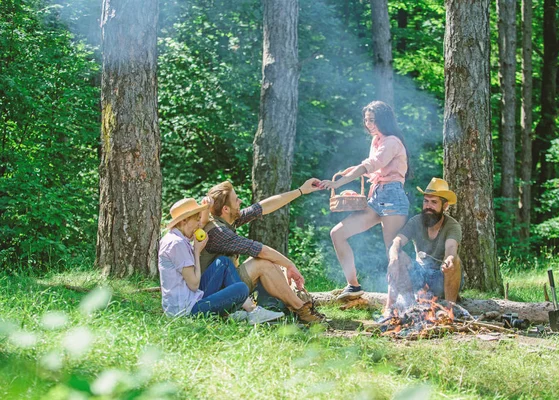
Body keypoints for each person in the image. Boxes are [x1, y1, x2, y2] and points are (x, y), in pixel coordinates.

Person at [200, 179, 327, 323]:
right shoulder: (218, 231)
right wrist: (290, 265)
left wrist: (301, 190)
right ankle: (303, 311)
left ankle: (289, 306)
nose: (240, 201)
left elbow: (262, 207)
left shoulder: (227, 219)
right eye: (236, 200)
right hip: (216, 296)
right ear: (226, 209)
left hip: (228, 286)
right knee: (262, 263)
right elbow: (260, 250)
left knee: (274, 263)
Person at [319, 101, 410, 300]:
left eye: (373, 120)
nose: (369, 124)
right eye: (367, 120)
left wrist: (340, 182)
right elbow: (372, 169)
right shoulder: (376, 140)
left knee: (393, 250)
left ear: (383, 120)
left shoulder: (392, 141)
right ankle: (353, 286)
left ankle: (404, 295)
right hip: (376, 195)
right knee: (338, 233)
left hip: (393, 196)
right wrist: (349, 172)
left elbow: (371, 165)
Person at [159, 197, 284, 324]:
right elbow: (194, 284)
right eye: (196, 220)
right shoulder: (176, 244)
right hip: (187, 311)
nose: (198, 224)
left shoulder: (178, 237)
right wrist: (196, 251)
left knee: (223, 262)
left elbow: (203, 223)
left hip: (190, 298)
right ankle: (251, 310)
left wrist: (207, 207)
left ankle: (244, 310)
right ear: (184, 220)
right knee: (241, 289)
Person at [385, 177, 462, 316]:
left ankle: (449, 311)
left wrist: (449, 259)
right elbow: (397, 241)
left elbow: (451, 248)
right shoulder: (416, 221)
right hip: (419, 275)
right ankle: (391, 309)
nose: (428, 206)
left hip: (441, 277)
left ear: (444, 206)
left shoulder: (452, 225)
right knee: (398, 255)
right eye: (426, 201)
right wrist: (394, 259)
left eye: (434, 202)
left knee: (456, 260)